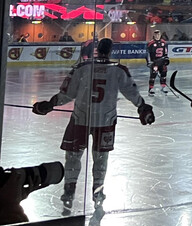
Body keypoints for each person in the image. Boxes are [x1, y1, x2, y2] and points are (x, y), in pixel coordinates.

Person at [32, 38, 155, 207]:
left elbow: (67, 93)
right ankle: (98, 191)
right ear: (110, 51)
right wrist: (142, 107)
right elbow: (131, 92)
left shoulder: (82, 68)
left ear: (97, 50)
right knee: (101, 159)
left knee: (73, 156)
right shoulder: (119, 70)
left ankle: (69, 190)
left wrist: (50, 104)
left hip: (80, 119)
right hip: (105, 120)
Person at [146, 29, 170, 95]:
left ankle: (163, 87)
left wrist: (166, 58)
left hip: (162, 61)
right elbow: (147, 53)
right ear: (154, 35)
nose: (157, 36)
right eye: (156, 34)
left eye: (158, 34)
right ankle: (151, 88)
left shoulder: (163, 42)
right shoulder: (150, 43)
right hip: (154, 62)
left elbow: (165, 52)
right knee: (153, 75)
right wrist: (149, 62)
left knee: (164, 74)